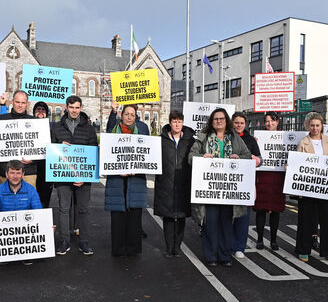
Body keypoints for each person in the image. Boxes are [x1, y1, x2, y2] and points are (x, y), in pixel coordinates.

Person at [189, 108, 252, 267]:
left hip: (228, 191)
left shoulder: (235, 138)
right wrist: (202, 156)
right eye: (216, 119)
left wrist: (238, 157)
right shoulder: (203, 138)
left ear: (226, 121)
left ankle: (224, 255)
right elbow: (191, 157)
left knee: (226, 224)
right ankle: (210, 256)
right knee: (210, 224)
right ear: (211, 121)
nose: (218, 121)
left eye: (221, 118)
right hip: (209, 190)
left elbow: (247, 156)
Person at [50, 96, 98, 256]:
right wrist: (59, 146)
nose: (74, 110)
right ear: (66, 107)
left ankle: (84, 241)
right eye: (71, 107)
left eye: (77, 107)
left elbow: (93, 153)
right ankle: (64, 241)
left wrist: (84, 177)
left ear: (81, 108)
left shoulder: (89, 128)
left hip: (83, 178)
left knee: (83, 210)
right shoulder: (57, 127)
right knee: (64, 209)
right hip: (62, 176)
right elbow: (51, 150)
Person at [294, 112, 328, 263]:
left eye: (317, 125)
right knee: (306, 219)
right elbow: (298, 162)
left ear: (322, 126)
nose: (315, 128)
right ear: (308, 126)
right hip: (308, 187)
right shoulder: (303, 142)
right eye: (312, 125)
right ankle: (303, 250)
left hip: (326, 187)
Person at [105, 104, 150, 257]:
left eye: (132, 114)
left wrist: (138, 167)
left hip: (136, 179)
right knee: (117, 215)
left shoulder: (142, 130)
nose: (129, 117)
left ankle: (133, 248)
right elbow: (108, 153)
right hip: (117, 180)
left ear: (135, 117)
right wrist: (119, 170)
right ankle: (118, 249)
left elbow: (147, 154)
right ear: (121, 115)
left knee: (134, 216)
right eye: (126, 114)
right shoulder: (113, 130)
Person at [154, 110, 195, 258]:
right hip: (166, 183)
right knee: (168, 217)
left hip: (184, 183)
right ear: (170, 122)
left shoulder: (191, 141)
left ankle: (177, 247)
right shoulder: (160, 140)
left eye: (179, 121)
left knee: (181, 217)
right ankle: (169, 247)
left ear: (183, 123)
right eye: (174, 121)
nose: (177, 124)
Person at [0, 159, 44, 265]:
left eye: (18, 173)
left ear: (23, 175)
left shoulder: (31, 190)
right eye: (12, 173)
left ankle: (26, 252)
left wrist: (46, 226)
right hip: (5, 230)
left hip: (25, 229)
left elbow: (38, 212)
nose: (15, 176)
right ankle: (5, 253)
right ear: (6, 174)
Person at [231, 112, 262, 259]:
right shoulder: (226, 137)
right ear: (232, 123)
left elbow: (260, 160)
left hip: (245, 184)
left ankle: (239, 247)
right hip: (227, 184)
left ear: (245, 124)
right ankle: (226, 244)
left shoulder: (250, 140)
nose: (239, 125)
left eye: (241, 123)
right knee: (227, 217)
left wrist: (248, 159)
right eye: (236, 122)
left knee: (243, 218)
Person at [253, 111, 286, 250]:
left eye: (272, 121)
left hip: (278, 177)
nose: (269, 123)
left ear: (277, 122)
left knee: (275, 210)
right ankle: (260, 239)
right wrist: (255, 143)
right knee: (260, 209)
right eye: (267, 121)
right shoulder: (258, 137)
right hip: (263, 176)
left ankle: (273, 240)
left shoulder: (285, 137)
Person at [0, 91, 38, 186]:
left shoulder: (35, 122)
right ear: (12, 102)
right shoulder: (1, 120)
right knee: (6, 196)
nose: (20, 105)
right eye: (17, 102)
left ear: (27, 104)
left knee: (27, 196)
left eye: (23, 103)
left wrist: (33, 160)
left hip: (28, 172)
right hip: (6, 172)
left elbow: (42, 149)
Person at [32, 101, 53, 207]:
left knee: (44, 198)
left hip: (45, 169)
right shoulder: (27, 125)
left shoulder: (52, 128)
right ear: (34, 112)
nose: (40, 111)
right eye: (38, 109)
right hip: (30, 168)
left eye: (43, 109)